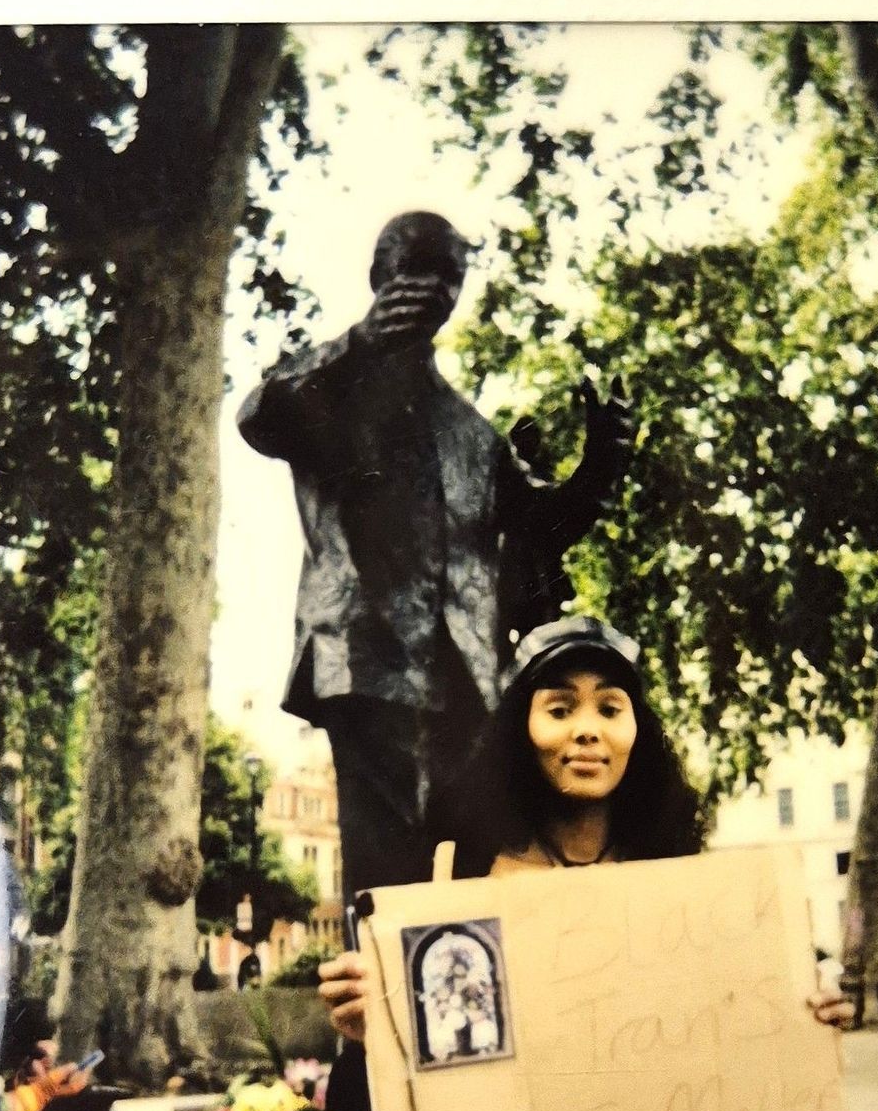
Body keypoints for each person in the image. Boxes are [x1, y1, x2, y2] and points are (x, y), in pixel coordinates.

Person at [318, 616, 852, 1111]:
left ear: (637, 731)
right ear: (520, 729)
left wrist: (803, 1028)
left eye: (611, 706)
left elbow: (742, 1106)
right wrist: (369, 1044)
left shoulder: (691, 901)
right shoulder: (447, 893)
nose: (587, 731)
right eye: (559, 706)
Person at [236, 211, 631, 902]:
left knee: (470, 851)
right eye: (414, 268)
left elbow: (539, 521)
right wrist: (363, 343)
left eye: (447, 273)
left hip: (465, 671)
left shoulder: (470, 430)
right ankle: (385, 1004)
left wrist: (597, 471)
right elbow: (259, 415)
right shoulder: (337, 381)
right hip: (367, 655)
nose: (432, 287)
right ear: (379, 277)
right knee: (386, 855)